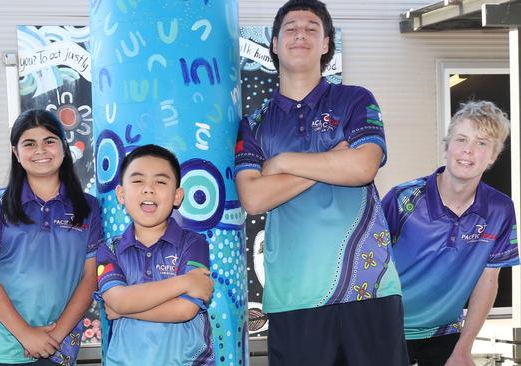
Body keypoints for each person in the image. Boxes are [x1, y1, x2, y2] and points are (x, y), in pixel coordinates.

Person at [234, 0, 408, 364]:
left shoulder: (355, 99)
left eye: (312, 28)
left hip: (369, 290)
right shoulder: (253, 123)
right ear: (275, 43)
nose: (301, 33)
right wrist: (332, 160)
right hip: (294, 297)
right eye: (291, 28)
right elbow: (252, 196)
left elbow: (363, 167)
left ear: (327, 43)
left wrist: (281, 163)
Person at [382, 100, 519, 366]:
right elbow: (367, 264)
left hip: (446, 333)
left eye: (482, 143)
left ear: (493, 156)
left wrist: (463, 349)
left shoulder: (500, 209)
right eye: (461, 139)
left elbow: (488, 281)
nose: (468, 150)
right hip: (387, 329)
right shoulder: (403, 198)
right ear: (447, 145)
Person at [0, 109, 102, 365]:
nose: (41, 150)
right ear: (17, 153)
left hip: (57, 347)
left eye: (49, 141)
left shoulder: (88, 208)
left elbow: (90, 279)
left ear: (64, 148)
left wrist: (55, 336)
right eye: (29, 143)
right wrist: (26, 335)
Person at [95, 144, 215, 365]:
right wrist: (185, 282)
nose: (148, 189)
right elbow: (117, 300)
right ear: (121, 194)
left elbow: (185, 309)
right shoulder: (109, 248)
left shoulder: (194, 243)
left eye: (160, 181)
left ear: (177, 196)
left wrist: (124, 309)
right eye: (138, 180)